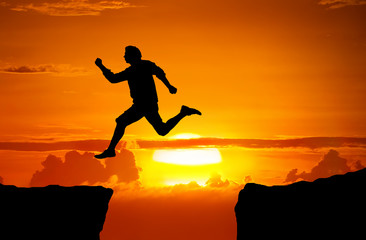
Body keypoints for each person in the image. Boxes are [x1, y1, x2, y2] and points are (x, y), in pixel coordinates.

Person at [94, 46, 201, 159]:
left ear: (133, 56)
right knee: (162, 130)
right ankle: (183, 112)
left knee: (121, 121)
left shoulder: (143, 66)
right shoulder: (133, 70)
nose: (124, 56)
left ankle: (111, 150)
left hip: (144, 104)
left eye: (126, 54)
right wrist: (169, 86)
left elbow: (159, 73)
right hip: (145, 104)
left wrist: (169, 86)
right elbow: (114, 79)